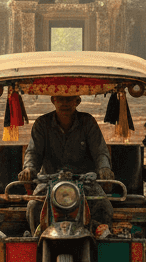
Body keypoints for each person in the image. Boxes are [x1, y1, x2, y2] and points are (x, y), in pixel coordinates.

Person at [17, 95, 115, 235]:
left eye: (69, 99)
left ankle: (102, 240)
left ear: (77, 101)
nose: (64, 103)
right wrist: (28, 168)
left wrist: (104, 168)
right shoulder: (42, 123)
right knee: (33, 207)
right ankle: (37, 238)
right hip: (49, 181)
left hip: (84, 181)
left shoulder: (87, 122)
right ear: (53, 100)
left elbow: (100, 152)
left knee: (104, 206)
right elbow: (33, 153)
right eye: (60, 99)